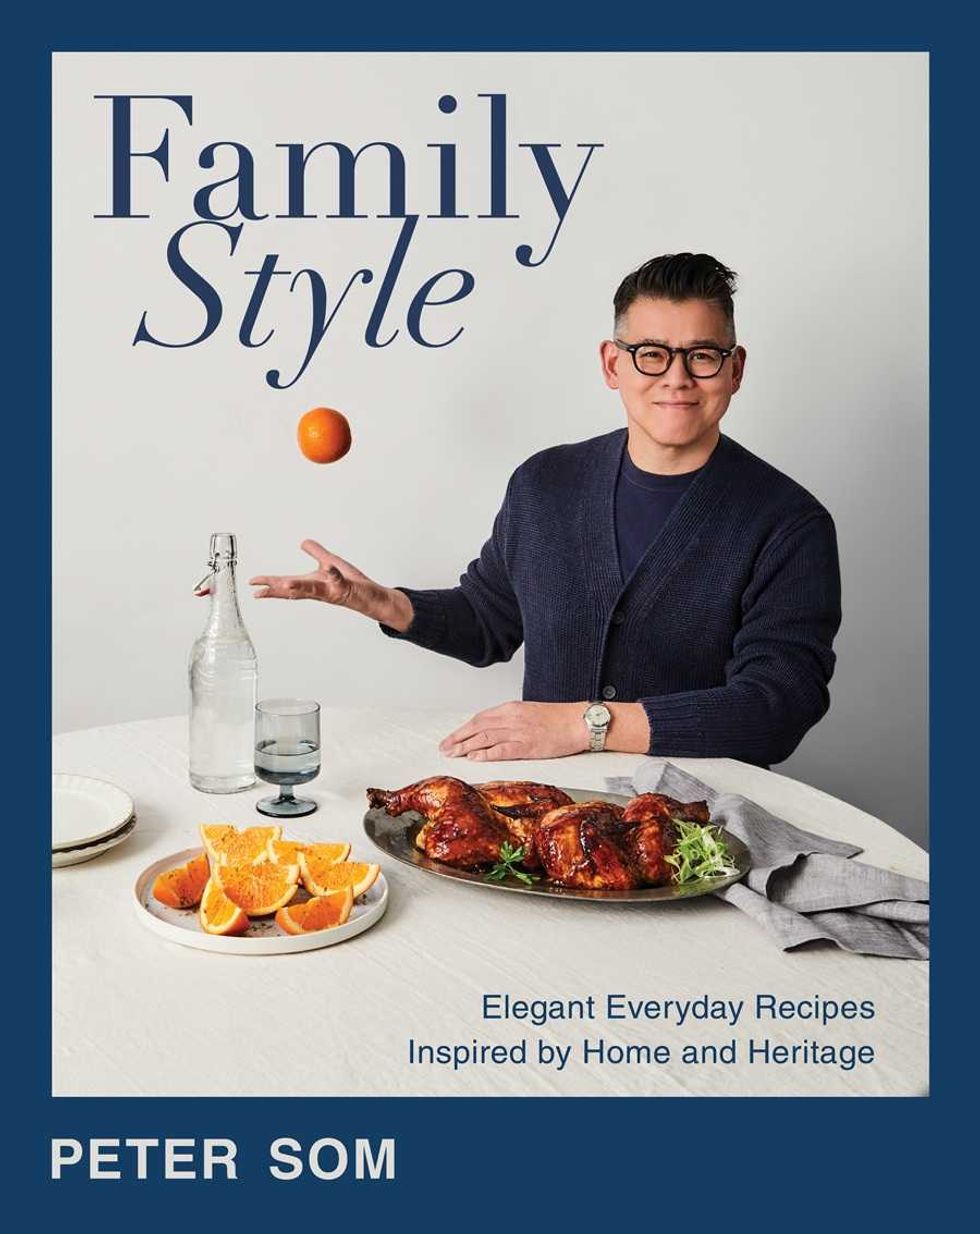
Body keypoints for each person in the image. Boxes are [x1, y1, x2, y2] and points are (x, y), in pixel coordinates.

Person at [250, 252, 841, 766]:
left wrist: (582, 725)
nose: (677, 378)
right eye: (652, 354)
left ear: (734, 369)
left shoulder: (790, 524)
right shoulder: (544, 484)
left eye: (702, 355)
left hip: (701, 832)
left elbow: (778, 707)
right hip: (545, 815)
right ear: (613, 365)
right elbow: (489, 622)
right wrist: (380, 602)